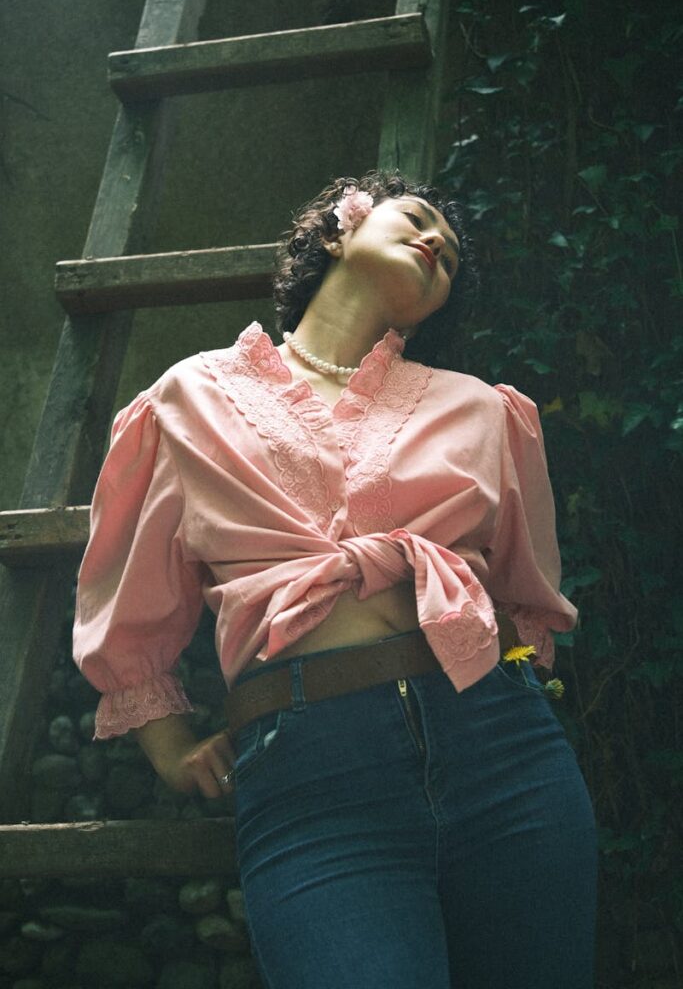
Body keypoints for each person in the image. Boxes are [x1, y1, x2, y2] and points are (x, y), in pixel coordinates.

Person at [73, 170, 598, 989]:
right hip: (312, 773)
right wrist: (167, 741)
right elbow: (133, 593)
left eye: (451, 256)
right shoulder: (188, 398)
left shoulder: (486, 412)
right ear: (335, 231)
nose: (436, 244)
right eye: (417, 220)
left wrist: (517, 680)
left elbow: (527, 609)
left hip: (506, 755)